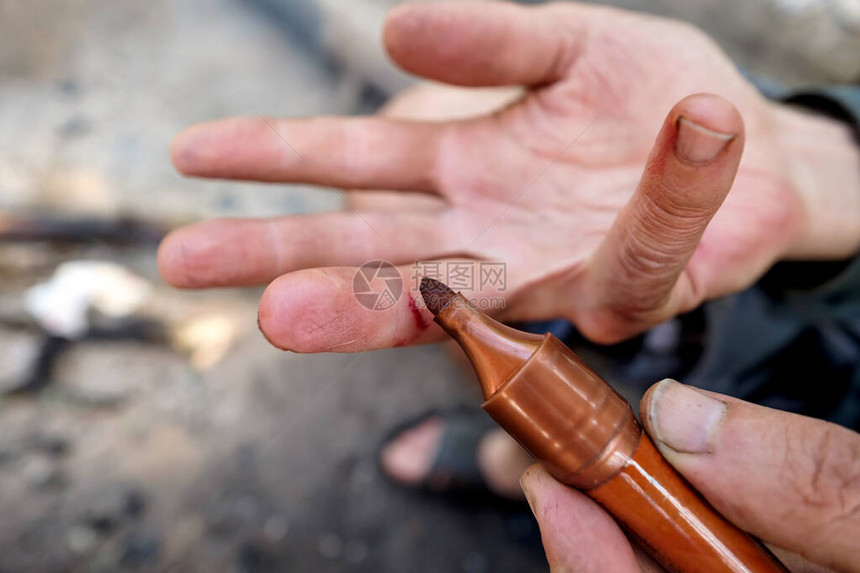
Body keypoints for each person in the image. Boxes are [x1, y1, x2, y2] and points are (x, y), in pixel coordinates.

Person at [157, 2, 860, 571]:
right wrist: (816, 165)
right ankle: (520, 457)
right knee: (414, 210)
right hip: (806, 307)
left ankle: (522, 465)